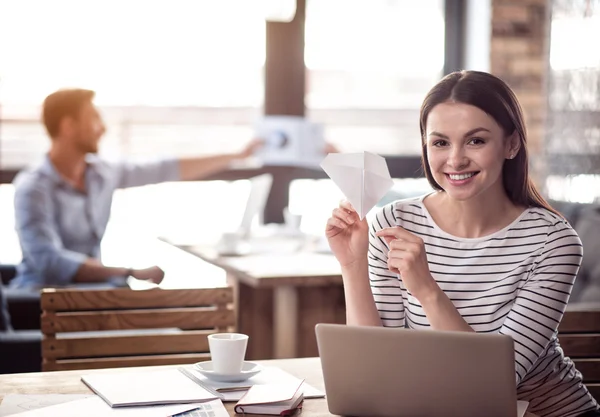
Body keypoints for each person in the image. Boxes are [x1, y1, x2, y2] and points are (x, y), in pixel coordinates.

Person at [326, 70, 599, 417]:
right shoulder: (394, 223)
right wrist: (352, 265)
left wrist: (426, 287)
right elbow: (377, 366)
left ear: (512, 144)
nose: (455, 160)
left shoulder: (553, 242)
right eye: (440, 142)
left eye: (476, 141)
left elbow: (492, 383)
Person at [10, 88, 262, 289]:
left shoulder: (101, 174)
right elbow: (48, 261)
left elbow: (165, 168)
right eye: (94, 119)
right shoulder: (33, 189)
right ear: (68, 126)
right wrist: (128, 272)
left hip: (91, 296)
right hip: (42, 298)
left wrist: (237, 155)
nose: (103, 128)